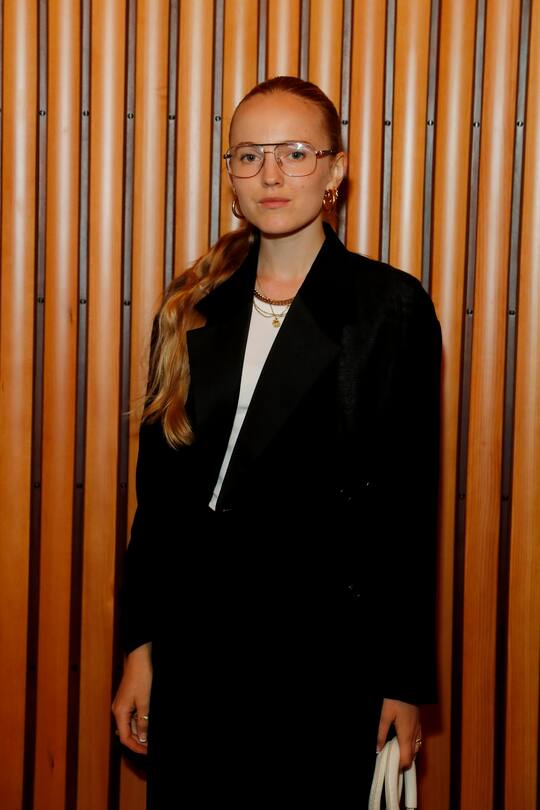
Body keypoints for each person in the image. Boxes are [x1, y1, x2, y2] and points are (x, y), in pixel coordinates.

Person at [112, 75, 441, 808]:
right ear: (228, 174)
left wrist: (401, 683)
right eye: (248, 155)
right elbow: (158, 506)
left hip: (324, 660)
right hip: (198, 655)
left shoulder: (389, 308)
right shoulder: (191, 307)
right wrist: (140, 651)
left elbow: (406, 511)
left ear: (336, 169)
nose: (270, 174)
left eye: (295, 152)